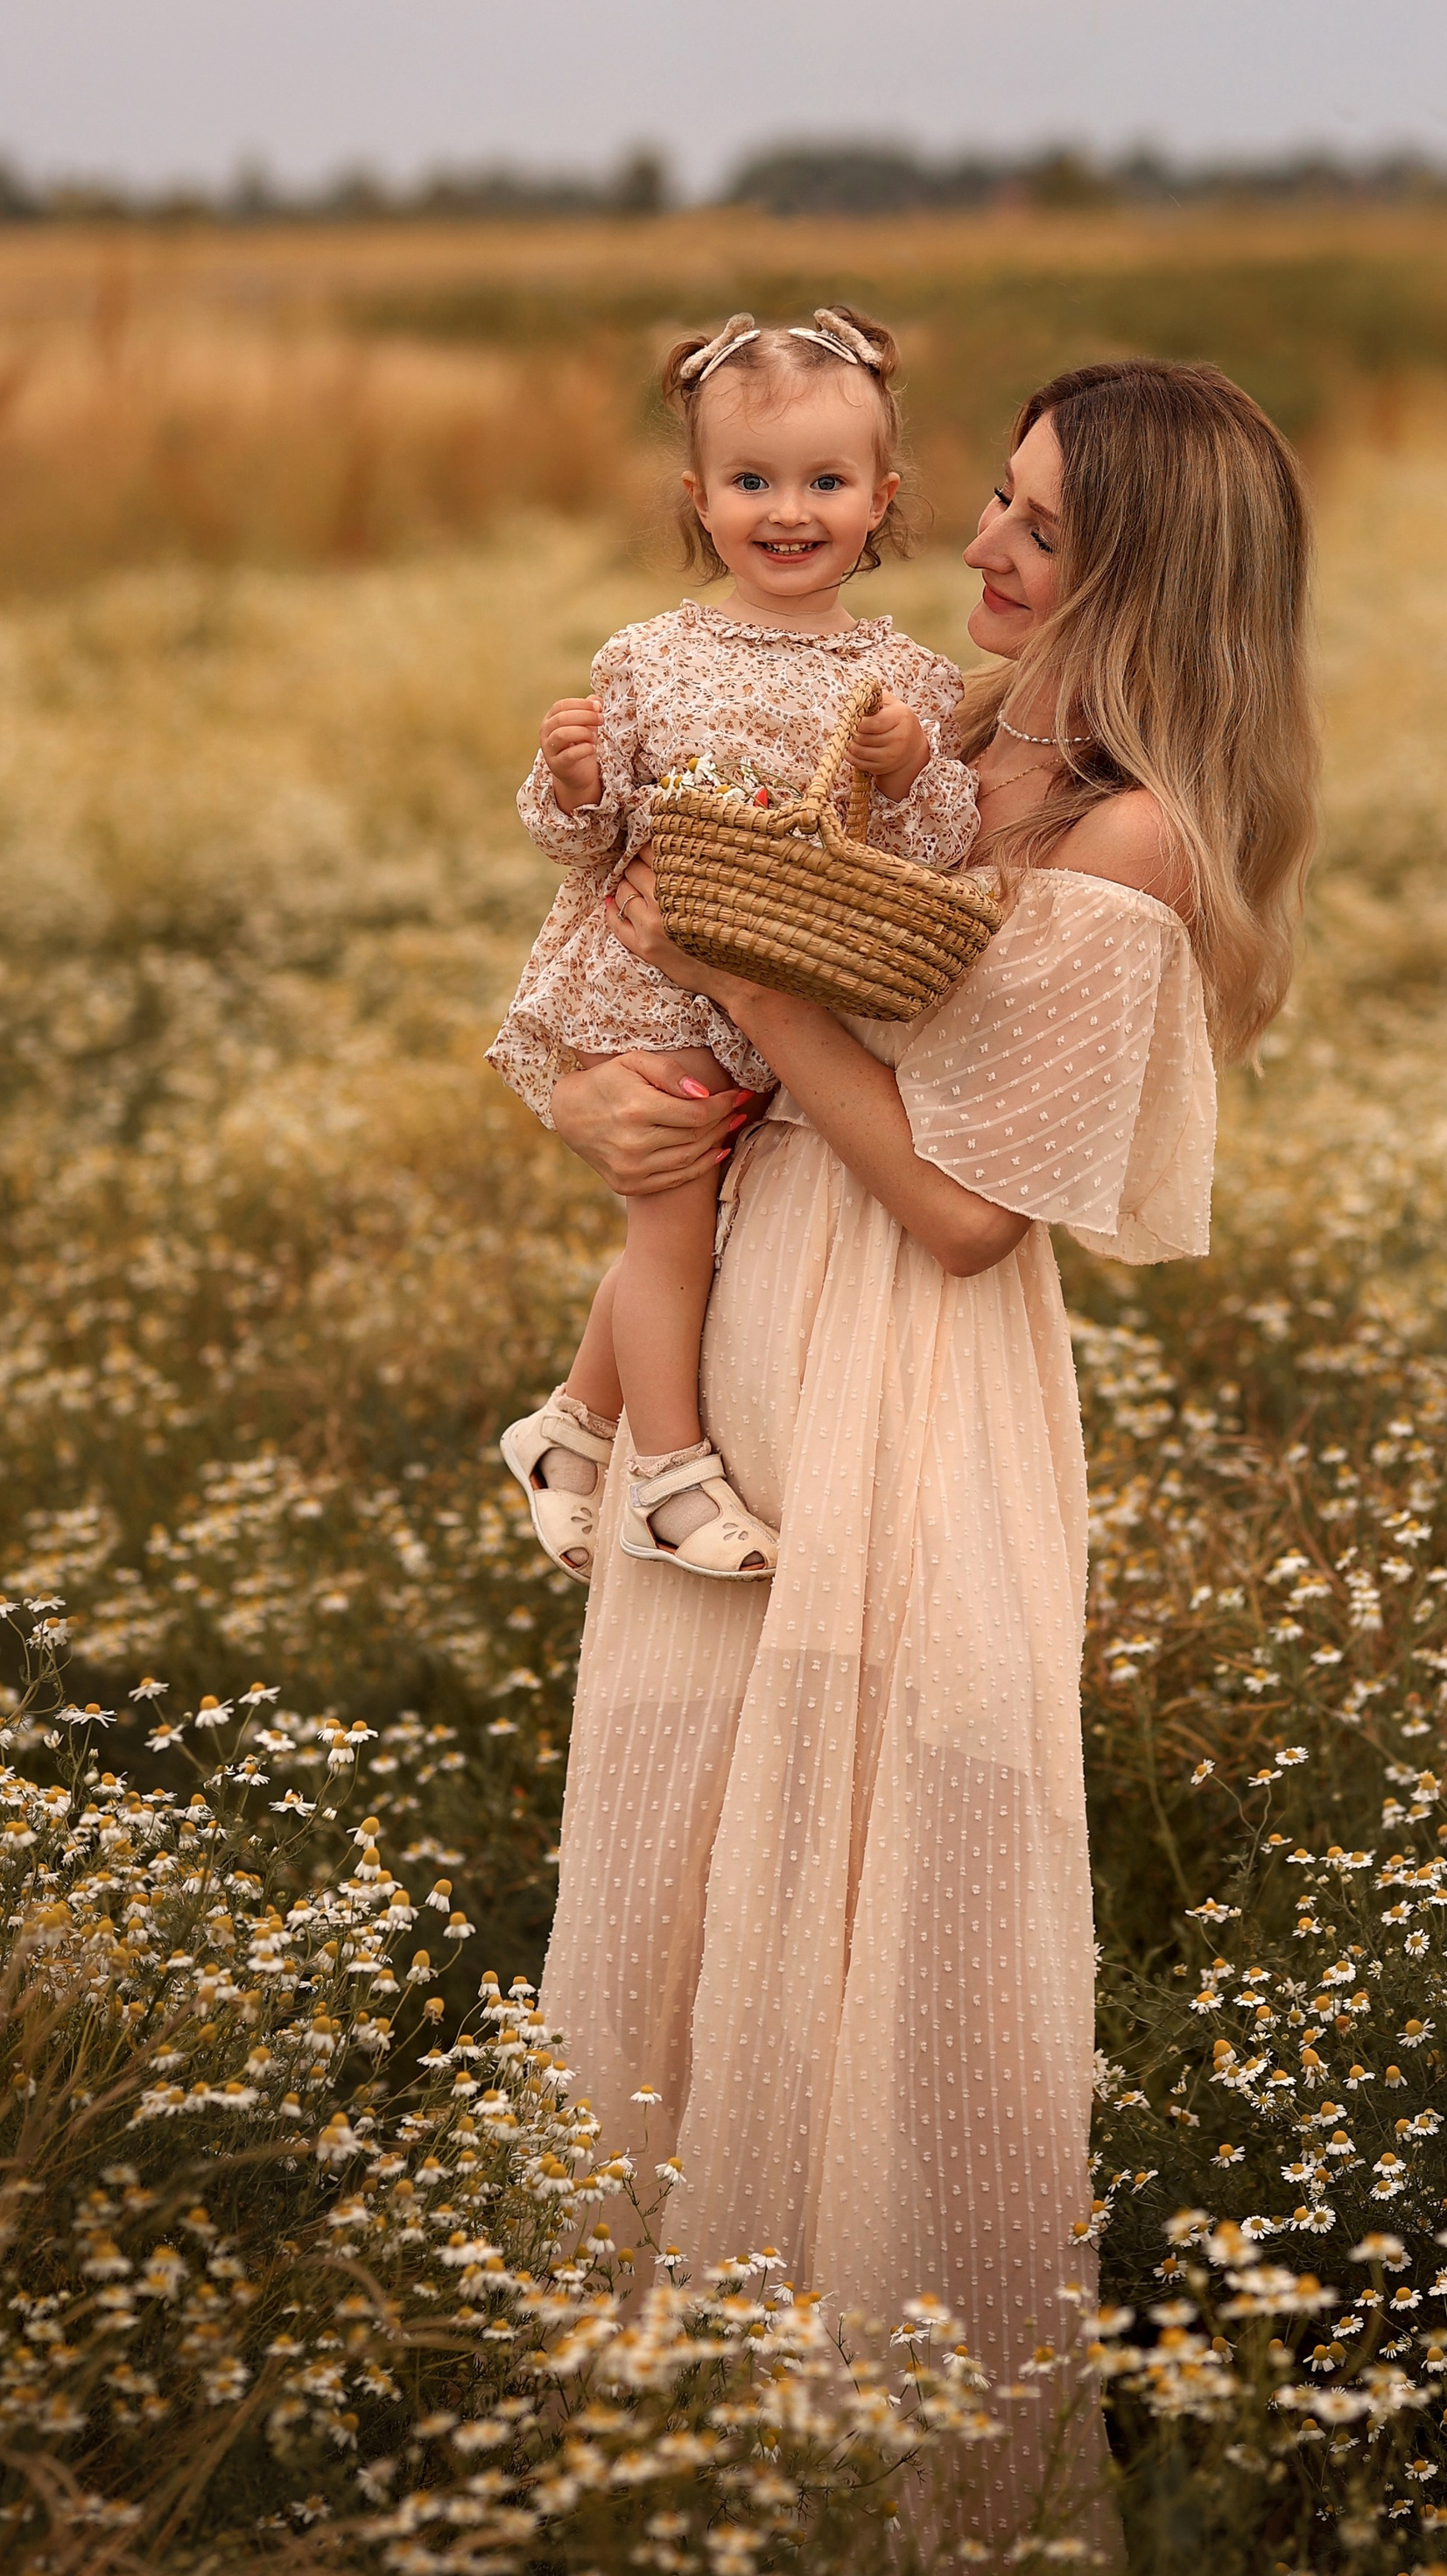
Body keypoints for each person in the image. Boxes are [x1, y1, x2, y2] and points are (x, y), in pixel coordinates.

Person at [535, 358, 1317, 2547]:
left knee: (910, 1876)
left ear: (1145, 577)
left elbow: (970, 1211)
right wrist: (600, 1096)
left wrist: (761, 1000)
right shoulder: (951, 743)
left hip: (919, 1374)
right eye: (989, 497)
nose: (977, 544)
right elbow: (663, 978)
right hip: (760, 1315)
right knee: (697, 1833)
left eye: (1041, 528)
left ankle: (906, 2475)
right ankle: (662, 2431)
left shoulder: (1133, 830)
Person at [486, 307, 979, 1582]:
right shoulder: (650, 654)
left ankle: (567, 1429)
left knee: (690, 1229)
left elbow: (929, 850)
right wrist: (575, 777)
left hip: (779, 989)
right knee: (672, 1227)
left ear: (883, 498)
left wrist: (912, 763)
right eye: (752, 482)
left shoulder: (904, 677)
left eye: (825, 481)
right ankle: (670, 1472)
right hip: (650, 979)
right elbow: (584, 843)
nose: (788, 510)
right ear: (700, 499)